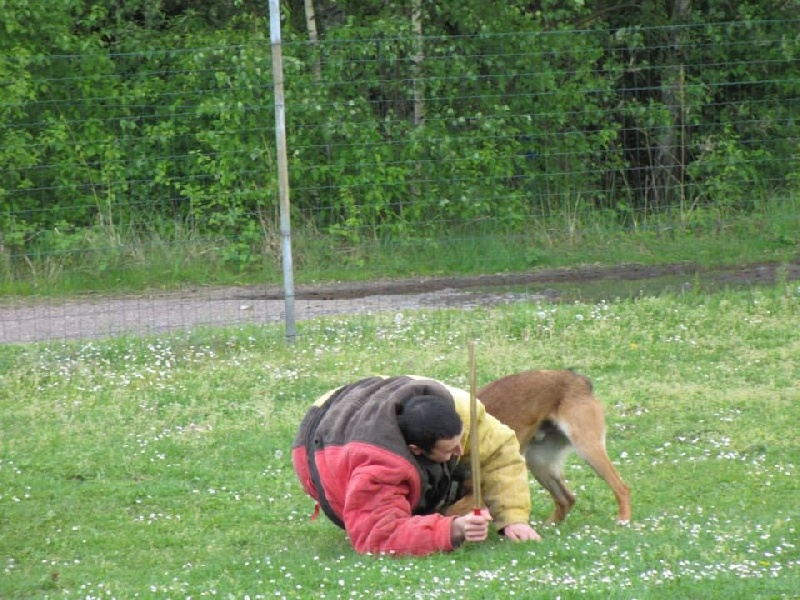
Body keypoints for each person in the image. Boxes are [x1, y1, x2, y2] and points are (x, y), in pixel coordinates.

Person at [291, 375, 541, 556]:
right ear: (416, 450)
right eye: (449, 449)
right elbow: (377, 535)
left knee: (465, 464)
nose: (461, 451)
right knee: (387, 512)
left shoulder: (460, 410)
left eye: (460, 440)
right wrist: (453, 528)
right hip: (320, 442)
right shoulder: (378, 465)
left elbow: (501, 453)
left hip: (371, 393)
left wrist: (514, 518)